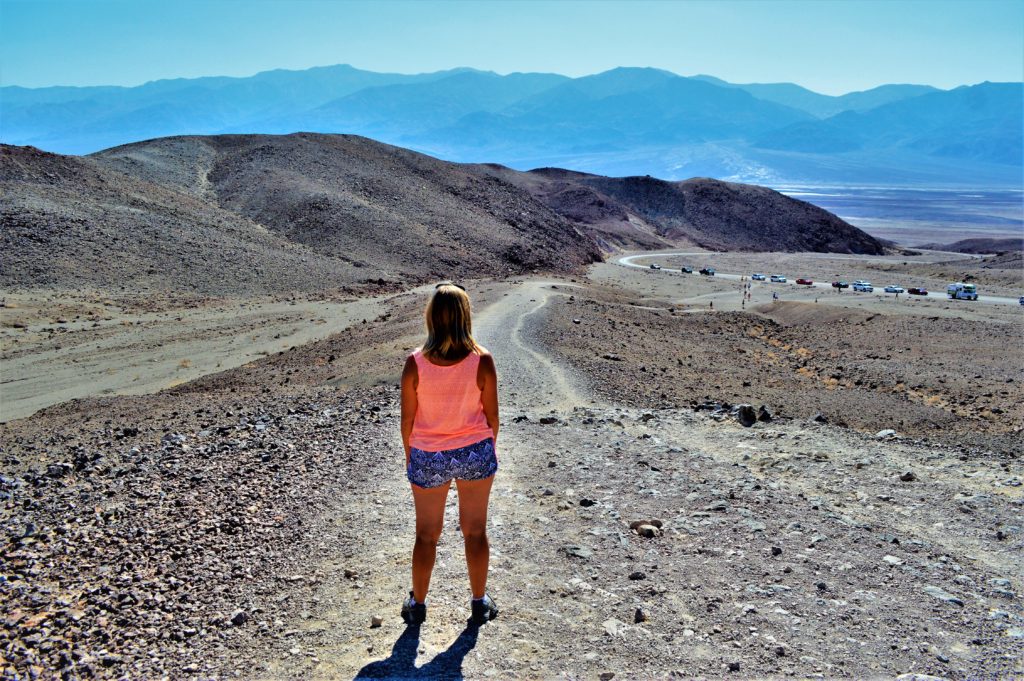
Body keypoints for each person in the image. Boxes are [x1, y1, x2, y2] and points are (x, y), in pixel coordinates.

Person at [399, 283, 500, 626]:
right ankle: (479, 602)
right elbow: (492, 417)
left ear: (432, 317)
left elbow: (408, 421)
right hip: (475, 451)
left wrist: (410, 457)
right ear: (464, 316)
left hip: (429, 454)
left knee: (426, 534)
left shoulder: (414, 364)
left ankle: (418, 605)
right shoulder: (482, 361)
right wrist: (487, 451)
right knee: (475, 531)